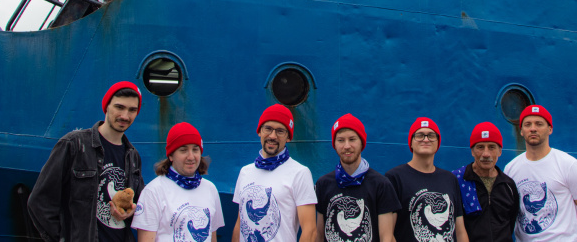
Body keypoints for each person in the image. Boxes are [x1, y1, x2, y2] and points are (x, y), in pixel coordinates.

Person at [28, 81, 145, 241]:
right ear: (106, 106)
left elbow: (140, 206)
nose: (125, 116)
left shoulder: (133, 156)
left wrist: (132, 211)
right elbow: (39, 202)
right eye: (119, 107)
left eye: (132, 110)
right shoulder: (74, 144)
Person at [504, 105, 577, 241]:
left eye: (539, 124)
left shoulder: (569, 165)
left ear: (550, 129)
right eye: (528, 124)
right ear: (521, 131)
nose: (533, 128)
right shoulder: (510, 169)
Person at [232, 104, 317, 242]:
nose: (272, 136)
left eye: (280, 131)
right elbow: (240, 224)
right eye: (268, 129)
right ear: (259, 131)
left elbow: (310, 231)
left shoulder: (300, 173)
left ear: (288, 137)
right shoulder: (245, 172)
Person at [132, 122, 224, 241]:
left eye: (195, 149)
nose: (191, 157)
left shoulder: (210, 189)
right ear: (171, 156)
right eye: (183, 150)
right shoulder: (153, 191)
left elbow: (212, 237)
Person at [316, 114, 400, 242]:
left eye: (352, 139)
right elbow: (319, 236)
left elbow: (386, 237)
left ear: (362, 143)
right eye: (341, 140)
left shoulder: (381, 184)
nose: (347, 146)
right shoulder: (323, 184)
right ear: (334, 144)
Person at [386, 118, 468, 242]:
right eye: (419, 135)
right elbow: (387, 234)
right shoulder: (395, 178)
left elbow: (460, 231)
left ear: (438, 142)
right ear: (411, 142)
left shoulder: (450, 179)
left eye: (431, 135)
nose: (425, 139)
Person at [451, 122, 519, 242]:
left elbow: (511, 223)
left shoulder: (508, 185)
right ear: (472, 151)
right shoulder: (457, 181)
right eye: (480, 147)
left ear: (500, 151)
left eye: (491, 147)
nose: (486, 154)